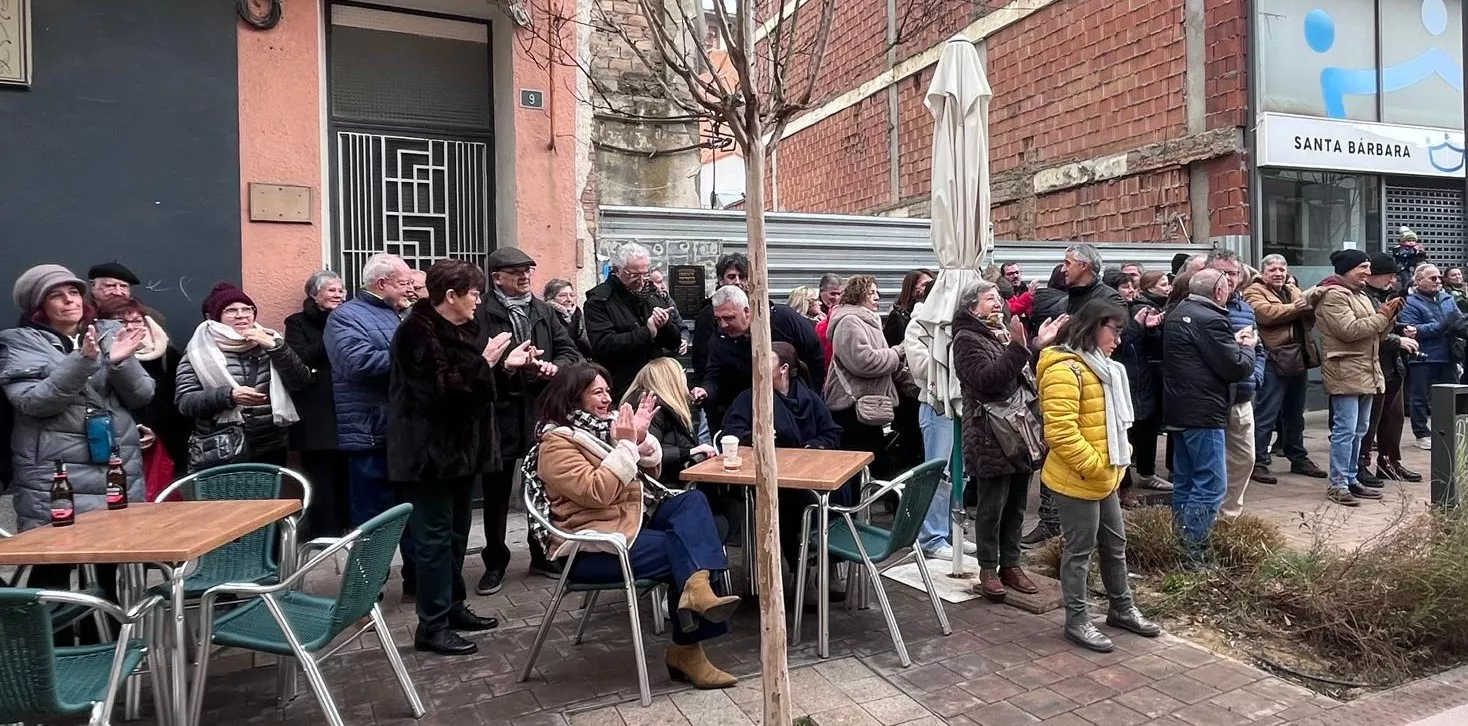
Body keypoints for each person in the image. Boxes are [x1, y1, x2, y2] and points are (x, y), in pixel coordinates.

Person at [526, 362, 741, 689]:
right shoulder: (556, 444)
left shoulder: (604, 429)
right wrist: (627, 445)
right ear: (573, 397)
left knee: (692, 502)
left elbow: (648, 476)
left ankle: (697, 593)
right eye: (597, 392)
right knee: (686, 550)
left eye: (607, 391)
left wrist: (642, 441)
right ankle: (688, 649)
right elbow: (597, 493)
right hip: (592, 546)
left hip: (629, 523)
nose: (606, 398)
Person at [388, 259, 507, 656]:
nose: (479, 301)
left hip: (461, 455)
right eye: (474, 293)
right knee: (434, 541)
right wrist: (485, 363)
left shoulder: (463, 327)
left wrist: (503, 368)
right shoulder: (416, 332)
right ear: (451, 296)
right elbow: (439, 394)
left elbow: (477, 388)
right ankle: (432, 625)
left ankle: (453, 608)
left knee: (456, 536)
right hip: (429, 457)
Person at [1036, 299, 1160, 652]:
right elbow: (1060, 432)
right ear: (1092, 327)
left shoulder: (1104, 368)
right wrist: (1094, 465)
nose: (1118, 340)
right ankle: (1077, 621)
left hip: (1105, 476)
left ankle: (1121, 609)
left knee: (1115, 544)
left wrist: (1115, 462)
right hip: (1078, 477)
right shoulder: (1064, 370)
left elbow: (1112, 425)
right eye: (1114, 331)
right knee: (1079, 551)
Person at [1, 264, 152, 529]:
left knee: (120, 546)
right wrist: (83, 362)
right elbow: (33, 402)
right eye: (55, 295)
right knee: (61, 551)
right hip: (56, 471)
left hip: (116, 464)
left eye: (73, 292)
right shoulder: (19, 343)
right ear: (37, 306)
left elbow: (142, 395)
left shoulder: (109, 332)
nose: (69, 300)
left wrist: (120, 362)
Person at [473, 248, 580, 594]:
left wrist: (555, 367)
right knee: (496, 492)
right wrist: (507, 368)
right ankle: (495, 562)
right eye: (516, 272)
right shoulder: (481, 312)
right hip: (498, 411)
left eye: (528, 271)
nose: (524, 277)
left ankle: (541, 554)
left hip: (537, 409)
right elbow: (474, 363)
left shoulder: (543, 311)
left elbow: (569, 351)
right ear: (497, 278)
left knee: (541, 485)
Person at [953, 280, 1058, 600]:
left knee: (1016, 504)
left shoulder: (999, 332)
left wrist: (1036, 345)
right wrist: (1018, 346)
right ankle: (988, 567)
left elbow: (1020, 373)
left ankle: (1011, 564)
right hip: (990, 433)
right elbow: (988, 380)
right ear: (972, 307)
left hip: (1020, 428)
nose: (997, 303)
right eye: (989, 299)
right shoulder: (966, 339)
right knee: (992, 506)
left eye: (998, 298)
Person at [324, 253, 418, 596]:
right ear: (382, 284)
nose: (411, 289)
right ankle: (366, 593)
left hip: (408, 434)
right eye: (405, 283)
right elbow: (357, 364)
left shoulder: (404, 314)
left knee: (414, 516)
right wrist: (416, 357)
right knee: (373, 520)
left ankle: (418, 583)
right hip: (370, 435)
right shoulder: (345, 317)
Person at [722, 342, 844, 596]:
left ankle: (829, 562)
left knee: (842, 490)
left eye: (766, 360)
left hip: (812, 474)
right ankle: (801, 568)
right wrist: (757, 437)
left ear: (784, 368)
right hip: (774, 479)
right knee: (786, 501)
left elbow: (832, 432)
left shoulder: (809, 398)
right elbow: (732, 432)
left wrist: (814, 447)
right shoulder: (749, 398)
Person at [1163, 269, 1257, 561]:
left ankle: (1180, 544)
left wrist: (1231, 342)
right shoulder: (1211, 318)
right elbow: (1235, 367)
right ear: (1219, 292)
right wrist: (1247, 347)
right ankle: (1196, 553)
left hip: (1180, 409)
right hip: (1204, 412)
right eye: (1227, 286)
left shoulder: (1179, 312)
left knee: (1186, 481)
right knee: (1211, 484)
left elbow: (1200, 353)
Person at [176, 283, 311, 472]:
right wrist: (229, 396)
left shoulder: (270, 341)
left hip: (270, 445)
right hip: (221, 448)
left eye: (247, 309)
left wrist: (276, 348)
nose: (241, 315)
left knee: (267, 492)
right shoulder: (198, 351)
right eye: (231, 310)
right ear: (213, 317)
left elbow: (300, 381)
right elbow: (185, 402)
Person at [1314, 249, 1403, 506]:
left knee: (1360, 429)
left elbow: (1375, 334)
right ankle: (1338, 484)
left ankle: (1352, 478)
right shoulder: (1334, 296)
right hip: (1345, 370)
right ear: (1347, 270)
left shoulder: (1360, 294)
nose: (1367, 272)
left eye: (1368, 266)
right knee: (1345, 430)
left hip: (1365, 369)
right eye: (1362, 267)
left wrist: (1389, 318)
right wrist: (1382, 316)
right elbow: (1350, 331)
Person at [1242, 256, 1327, 484]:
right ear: (1263, 272)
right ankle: (1258, 461)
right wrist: (1296, 308)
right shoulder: (1253, 291)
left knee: (1295, 413)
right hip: (1274, 358)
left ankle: (1297, 456)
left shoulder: (1292, 289)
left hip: (1298, 357)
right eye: (1272, 269)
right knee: (1266, 413)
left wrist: (1309, 307)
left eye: (1282, 269)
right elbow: (1266, 315)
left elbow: (1308, 316)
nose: (1278, 273)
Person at [694, 285, 823, 435]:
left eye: (729, 318)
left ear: (747, 311)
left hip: (795, 410)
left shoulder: (784, 320)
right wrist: (706, 391)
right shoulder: (720, 339)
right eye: (718, 319)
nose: (723, 325)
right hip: (745, 415)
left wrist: (810, 396)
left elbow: (815, 356)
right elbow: (714, 375)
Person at [94, 296, 189, 484]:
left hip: (163, 445)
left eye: (137, 321)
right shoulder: (94, 357)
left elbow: (176, 407)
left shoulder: (167, 355)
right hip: (115, 443)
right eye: (121, 322)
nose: (130, 327)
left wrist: (157, 432)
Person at [284, 270, 350, 538]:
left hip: (346, 405)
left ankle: (349, 527)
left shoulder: (349, 319)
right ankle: (325, 534)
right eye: (332, 290)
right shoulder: (296, 323)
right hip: (315, 411)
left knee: (346, 472)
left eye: (341, 290)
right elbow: (299, 357)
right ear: (314, 294)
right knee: (319, 473)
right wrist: (332, 336)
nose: (339, 295)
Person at [1203, 249, 1266, 519]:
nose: (1228, 278)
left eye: (1233, 273)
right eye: (1222, 272)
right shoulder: (1197, 308)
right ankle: (1206, 519)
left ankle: (1228, 518)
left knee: (1244, 459)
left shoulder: (1245, 309)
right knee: (1211, 465)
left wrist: (1256, 377)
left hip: (1242, 396)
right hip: (1210, 398)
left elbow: (1259, 348)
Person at [825, 275, 905, 485]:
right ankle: (859, 503)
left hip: (866, 405)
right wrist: (896, 353)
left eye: (877, 292)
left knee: (872, 464)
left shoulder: (868, 321)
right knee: (859, 466)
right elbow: (863, 361)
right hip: (852, 408)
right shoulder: (849, 322)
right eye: (871, 292)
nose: (877, 297)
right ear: (858, 294)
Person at [585, 242, 682, 399]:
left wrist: (666, 325)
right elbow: (604, 345)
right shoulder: (599, 300)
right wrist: (647, 332)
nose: (641, 281)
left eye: (645, 274)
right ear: (617, 271)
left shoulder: (652, 294)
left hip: (658, 384)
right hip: (622, 387)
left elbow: (673, 342)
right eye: (634, 275)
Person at [1360, 254, 1422, 483]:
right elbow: (1366, 333)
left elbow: (1386, 327)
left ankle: (1389, 464)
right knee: (1369, 421)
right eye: (1389, 275)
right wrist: (1398, 340)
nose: (1393, 280)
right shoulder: (1362, 298)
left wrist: (1402, 328)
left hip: (1393, 367)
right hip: (1372, 367)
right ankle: (1361, 464)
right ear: (1373, 275)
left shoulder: (1385, 296)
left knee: (1393, 420)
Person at [1115, 271, 1169, 506]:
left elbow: (1150, 346)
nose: (1131, 291)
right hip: (1124, 379)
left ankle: (1147, 474)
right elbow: (1120, 345)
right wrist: (1137, 326)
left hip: (1142, 378)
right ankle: (1123, 485)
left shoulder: (1140, 309)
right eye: (1125, 287)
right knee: (1125, 434)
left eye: (1132, 286)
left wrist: (1151, 329)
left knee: (1147, 427)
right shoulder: (1113, 313)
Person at [625, 357, 712, 488]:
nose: (685, 378)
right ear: (672, 380)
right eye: (682, 373)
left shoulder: (668, 408)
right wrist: (690, 452)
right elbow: (649, 454)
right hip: (662, 488)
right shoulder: (652, 409)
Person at [1401, 263, 1460, 451]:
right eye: (1432, 278)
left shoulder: (1447, 298)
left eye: (1439, 277)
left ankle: (1451, 430)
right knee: (1420, 397)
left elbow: (1458, 320)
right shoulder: (1409, 302)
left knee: (1452, 396)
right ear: (1418, 281)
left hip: (1448, 355)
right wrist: (1442, 325)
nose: (1437, 281)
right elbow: (1413, 330)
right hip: (1423, 357)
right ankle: (1422, 434)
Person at [691, 254, 750, 393]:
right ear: (721, 280)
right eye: (731, 277)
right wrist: (708, 390)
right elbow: (701, 360)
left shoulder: (757, 307)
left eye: (742, 277)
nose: (737, 282)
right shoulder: (708, 314)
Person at [1064, 243, 1125, 315]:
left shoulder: (1111, 301)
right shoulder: (1063, 304)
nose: (1063, 269)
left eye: (1068, 264)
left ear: (1083, 265)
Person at [544, 278, 594, 359]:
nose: (569, 299)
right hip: (557, 360)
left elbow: (585, 341)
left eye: (572, 295)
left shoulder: (577, 314)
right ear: (550, 298)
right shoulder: (546, 315)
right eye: (563, 295)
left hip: (580, 360)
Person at [814, 273, 844, 368]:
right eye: (832, 294)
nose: (837, 298)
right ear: (821, 292)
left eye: (839, 294)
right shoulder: (813, 310)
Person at [1392, 226, 1429, 294]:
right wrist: (1414, 250)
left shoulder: (1415, 248)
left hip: (1413, 267)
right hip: (1403, 268)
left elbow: (1424, 257)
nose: (1411, 242)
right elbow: (1403, 254)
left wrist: (1421, 252)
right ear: (1402, 241)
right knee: (1406, 278)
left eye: (1413, 241)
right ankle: (1406, 291)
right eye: (1408, 241)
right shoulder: (1398, 248)